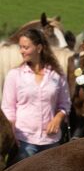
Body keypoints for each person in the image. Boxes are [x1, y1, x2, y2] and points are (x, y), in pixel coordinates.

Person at [1, 27, 70, 163]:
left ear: (39, 48)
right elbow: (8, 109)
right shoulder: (15, 75)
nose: (22, 51)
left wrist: (58, 117)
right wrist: (12, 133)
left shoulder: (57, 76)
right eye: (20, 47)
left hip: (51, 141)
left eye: (26, 47)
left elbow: (65, 104)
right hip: (24, 141)